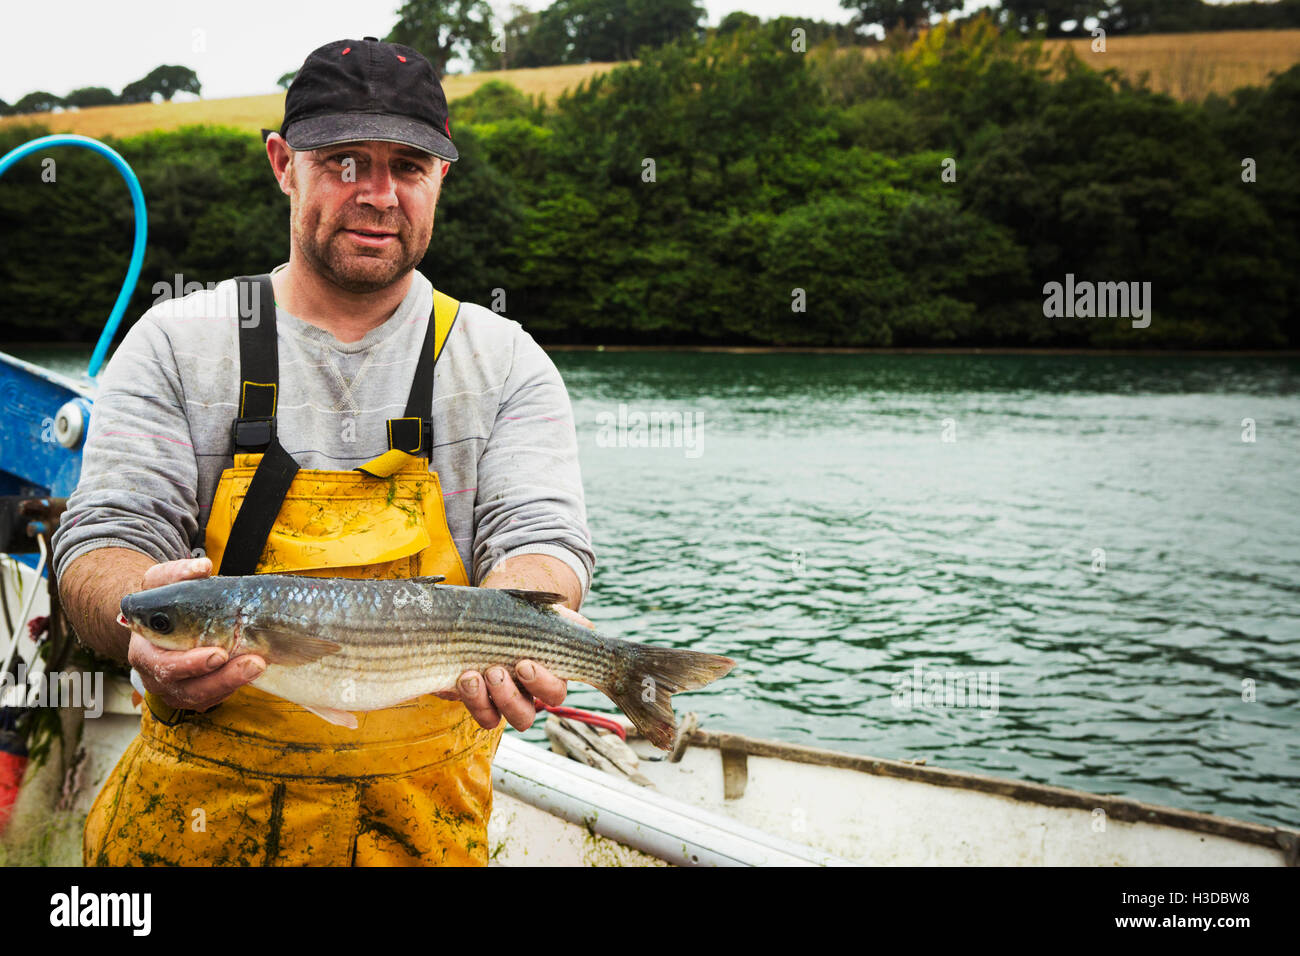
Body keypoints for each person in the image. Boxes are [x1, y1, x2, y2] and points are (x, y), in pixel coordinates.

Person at [51, 36, 595, 866]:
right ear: (283, 163)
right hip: (192, 827)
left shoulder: (504, 360)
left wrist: (514, 628)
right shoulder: (174, 344)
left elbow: (542, 542)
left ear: (440, 178)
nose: (378, 195)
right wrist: (139, 620)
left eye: (408, 166)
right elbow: (99, 547)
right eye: (345, 161)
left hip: (420, 832)